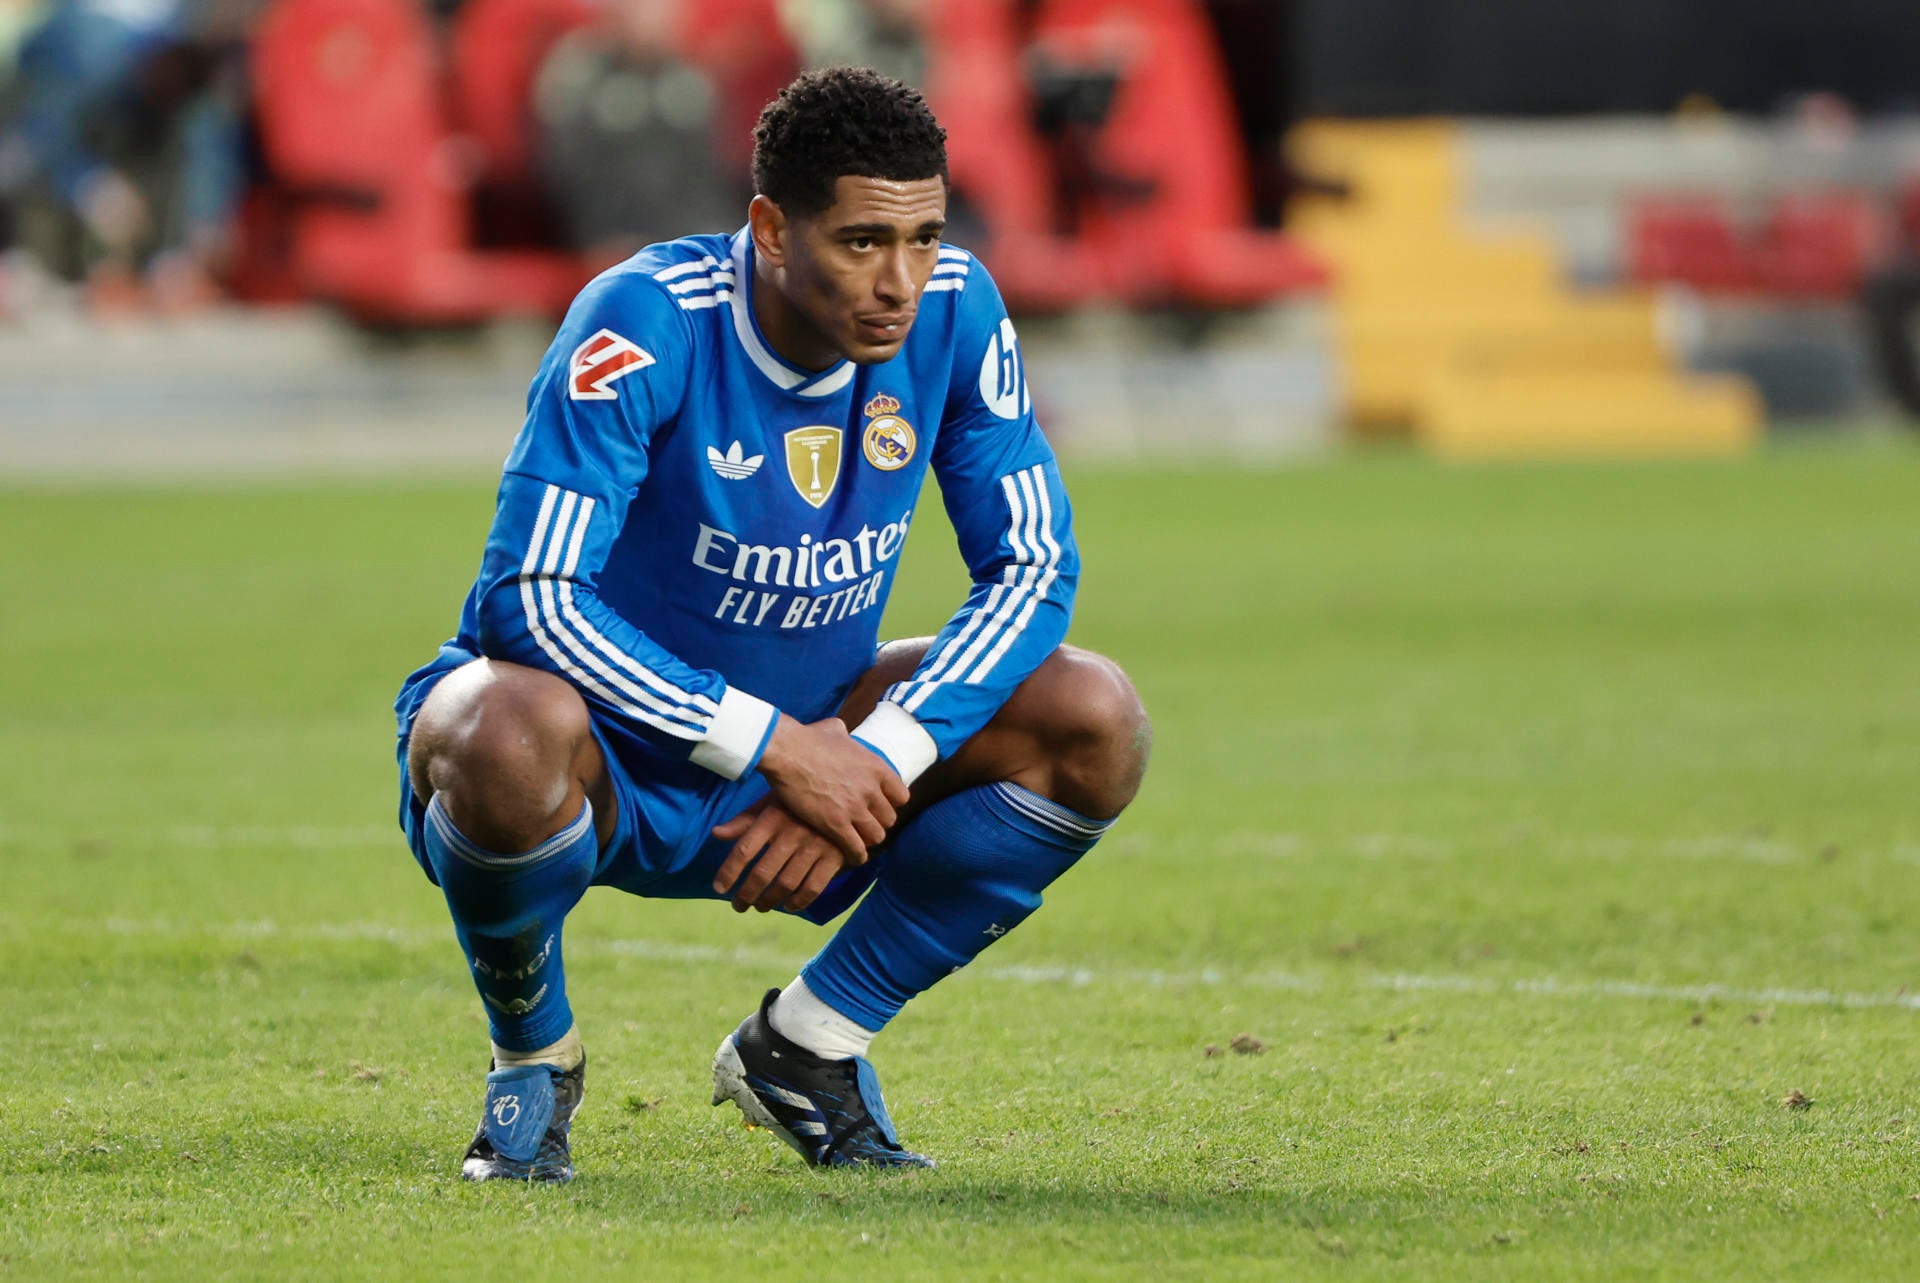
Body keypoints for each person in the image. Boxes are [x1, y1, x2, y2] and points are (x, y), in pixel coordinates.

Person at [393, 66, 1150, 1180]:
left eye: (926, 236)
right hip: (601, 752)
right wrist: (776, 746)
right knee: (497, 725)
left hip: (820, 747)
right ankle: (533, 1055)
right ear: (771, 229)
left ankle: (811, 1043)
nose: (901, 279)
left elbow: (1032, 567)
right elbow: (531, 596)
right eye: (860, 242)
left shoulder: (956, 307)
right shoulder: (645, 322)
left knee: (1093, 715)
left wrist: (873, 756)